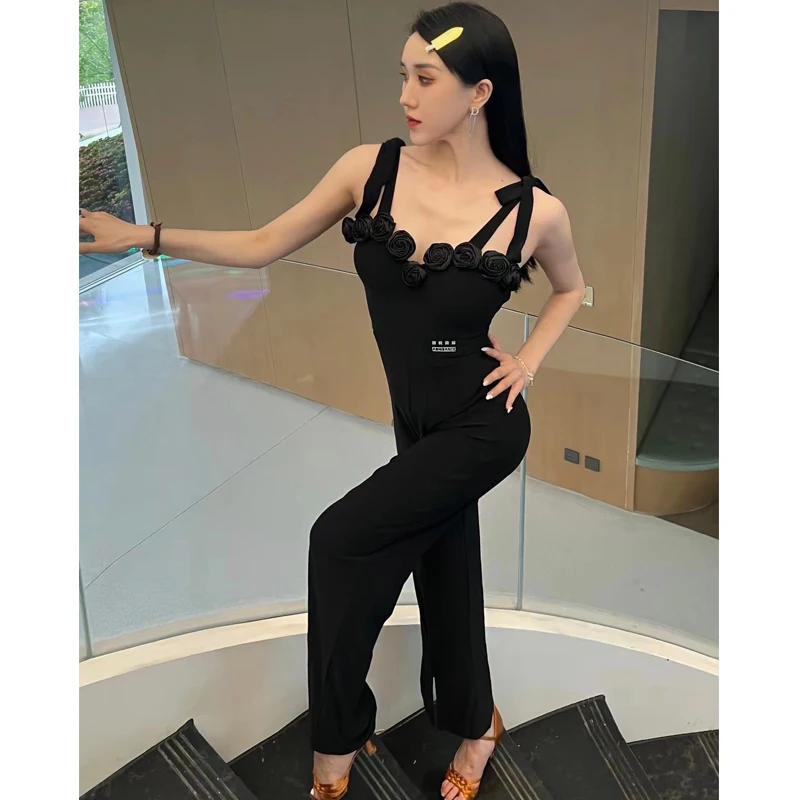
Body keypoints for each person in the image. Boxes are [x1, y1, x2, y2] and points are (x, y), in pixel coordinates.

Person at [80, 3, 585, 798]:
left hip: (483, 427)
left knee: (340, 540)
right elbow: (262, 244)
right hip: (414, 420)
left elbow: (571, 289)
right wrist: (144, 235)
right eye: (402, 76)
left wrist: (526, 361)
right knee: (446, 563)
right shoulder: (369, 170)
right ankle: (476, 720)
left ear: (480, 92)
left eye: (426, 78)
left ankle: (336, 749)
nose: (405, 95)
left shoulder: (534, 211)